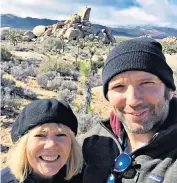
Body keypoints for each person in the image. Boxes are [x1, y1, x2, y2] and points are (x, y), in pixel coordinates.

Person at [81, 37, 177, 183]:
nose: (133, 100)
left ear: (169, 91)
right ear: (108, 95)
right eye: (119, 87)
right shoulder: (92, 142)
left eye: (146, 83)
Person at [1, 98, 83, 183]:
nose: (51, 144)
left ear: (72, 143)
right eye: (40, 135)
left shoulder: (83, 177)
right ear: (23, 145)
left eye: (60, 135)